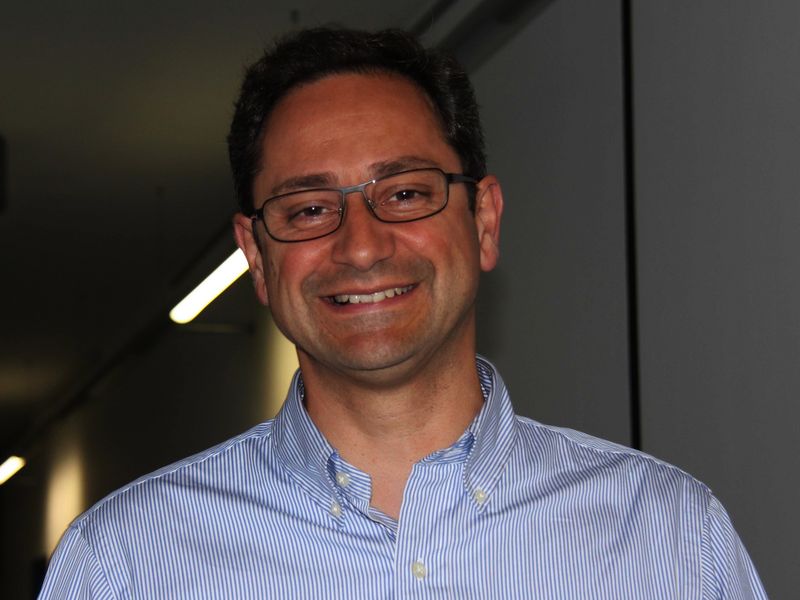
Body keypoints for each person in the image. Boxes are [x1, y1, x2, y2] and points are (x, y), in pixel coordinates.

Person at [39, 28, 767, 598]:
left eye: (407, 194)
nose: (360, 247)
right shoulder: (123, 564)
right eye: (309, 208)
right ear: (257, 257)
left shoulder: (668, 536)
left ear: (483, 221)